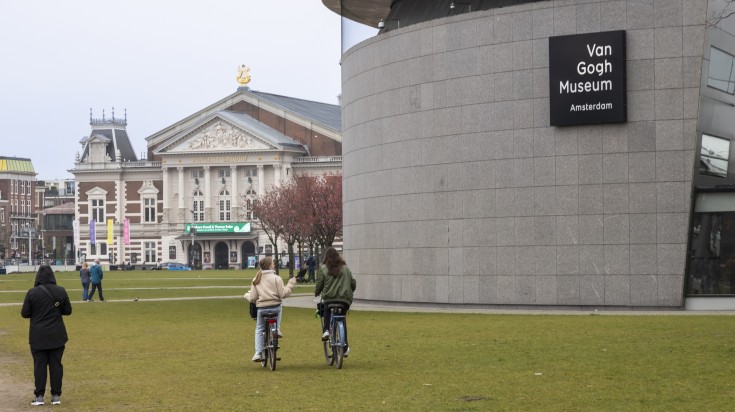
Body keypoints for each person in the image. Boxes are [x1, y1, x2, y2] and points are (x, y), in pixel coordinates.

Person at [21, 265, 72, 406]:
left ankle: (39, 396)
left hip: (38, 335)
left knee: (39, 365)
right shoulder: (60, 291)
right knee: (56, 365)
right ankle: (56, 395)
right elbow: (68, 310)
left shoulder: (32, 293)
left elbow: (25, 313)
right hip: (56, 333)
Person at [243, 256, 296, 362]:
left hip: (262, 309)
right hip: (275, 307)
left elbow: (253, 298)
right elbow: (283, 294)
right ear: (270, 265)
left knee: (259, 329)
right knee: (280, 307)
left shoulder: (256, 279)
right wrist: (290, 284)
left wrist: (247, 295)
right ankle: (277, 329)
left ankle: (258, 352)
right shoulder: (277, 278)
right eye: (273, 263)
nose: (274, 264)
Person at [314, 247, 357, 356]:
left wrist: (317, 292)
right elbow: (353, 283)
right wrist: (350, 290)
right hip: (344, 300)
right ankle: (345, 345)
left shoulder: (323, 269)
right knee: (342, 319)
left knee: (327, 310)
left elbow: (319, 284)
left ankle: (326, 330)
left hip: (329, 299)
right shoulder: (345, 268)